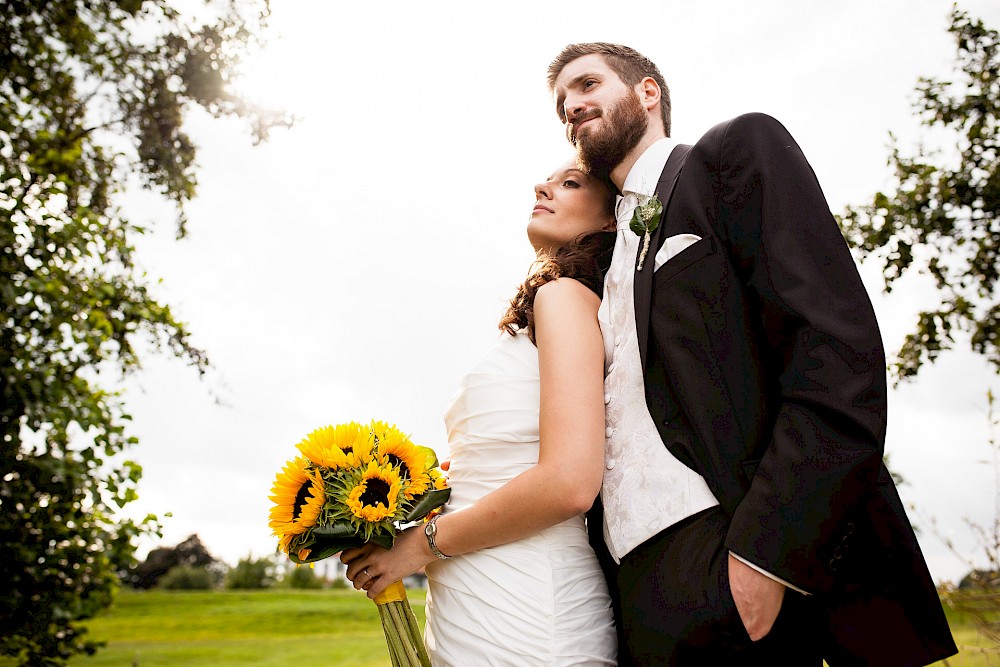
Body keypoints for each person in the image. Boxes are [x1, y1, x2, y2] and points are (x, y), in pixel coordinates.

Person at [547, 42, 958, 666]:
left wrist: (767, 558)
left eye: (587, 85)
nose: (572, 106)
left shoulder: (733, 155)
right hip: (630, 584)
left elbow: (835, 354)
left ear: (648, 92)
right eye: (561, 103)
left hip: (734, 559)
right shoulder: (603, 258)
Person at [341, 160, 619, 666]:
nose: (543, 185)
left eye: (570, 183)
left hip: (527, 609)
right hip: (471, 601)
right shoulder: (544, 312)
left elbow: (569, 482)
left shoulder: (564, 298)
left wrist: (419, 546)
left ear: (609, 222)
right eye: (548, 180)